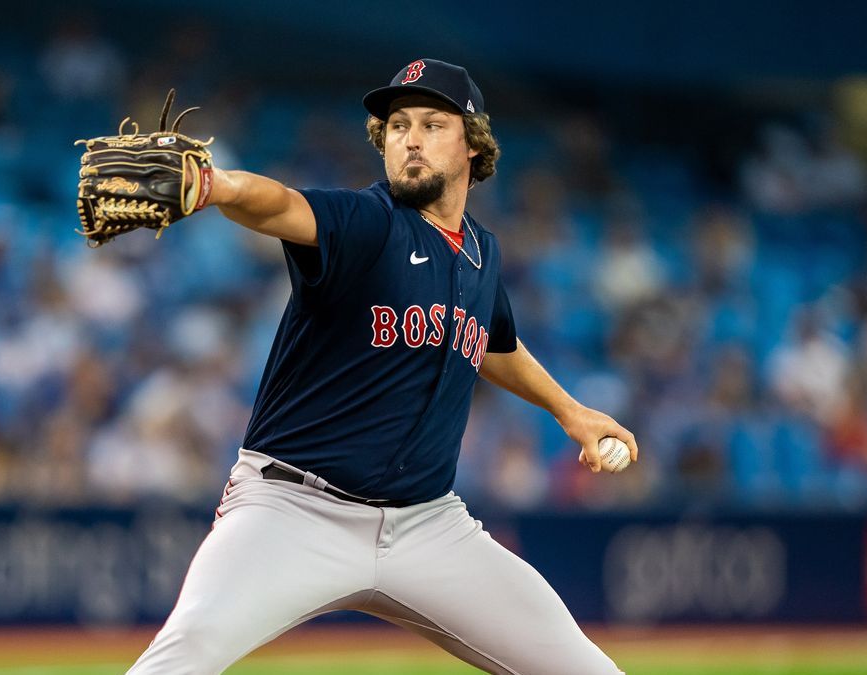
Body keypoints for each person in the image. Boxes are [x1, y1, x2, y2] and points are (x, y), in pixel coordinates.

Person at [129, 58, 637, 675]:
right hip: (292, 512)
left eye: (431, 123)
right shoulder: (368, 223)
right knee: (182, 657)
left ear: (473, 144)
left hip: (428, 525)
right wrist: (219, 187)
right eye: (397, 125)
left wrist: (573, 412)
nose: (410, 138)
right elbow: (281, 205)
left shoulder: (482, 252)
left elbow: (494, 345)